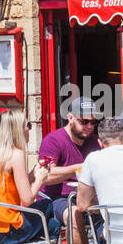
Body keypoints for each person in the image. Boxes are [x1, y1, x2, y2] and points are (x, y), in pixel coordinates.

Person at [0, 109, 53, 244]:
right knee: (48, 205)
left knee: (52, 225)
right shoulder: (16, 153)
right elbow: (28, 200)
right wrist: (40, 179)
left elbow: (11, 187)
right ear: (18, 129)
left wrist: (32, 174)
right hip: (4, 232)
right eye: (28, 125)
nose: (29, 128)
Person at [37, 97, 101, 236]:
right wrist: (79, 168)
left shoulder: (95, 141)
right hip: (55, 198)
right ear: (70, 118)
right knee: (74, 217)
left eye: (93, 122)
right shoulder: (52, 140)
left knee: (112, 211)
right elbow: (45, 176)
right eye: (84, 121)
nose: (89, 126)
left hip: (86, 195)